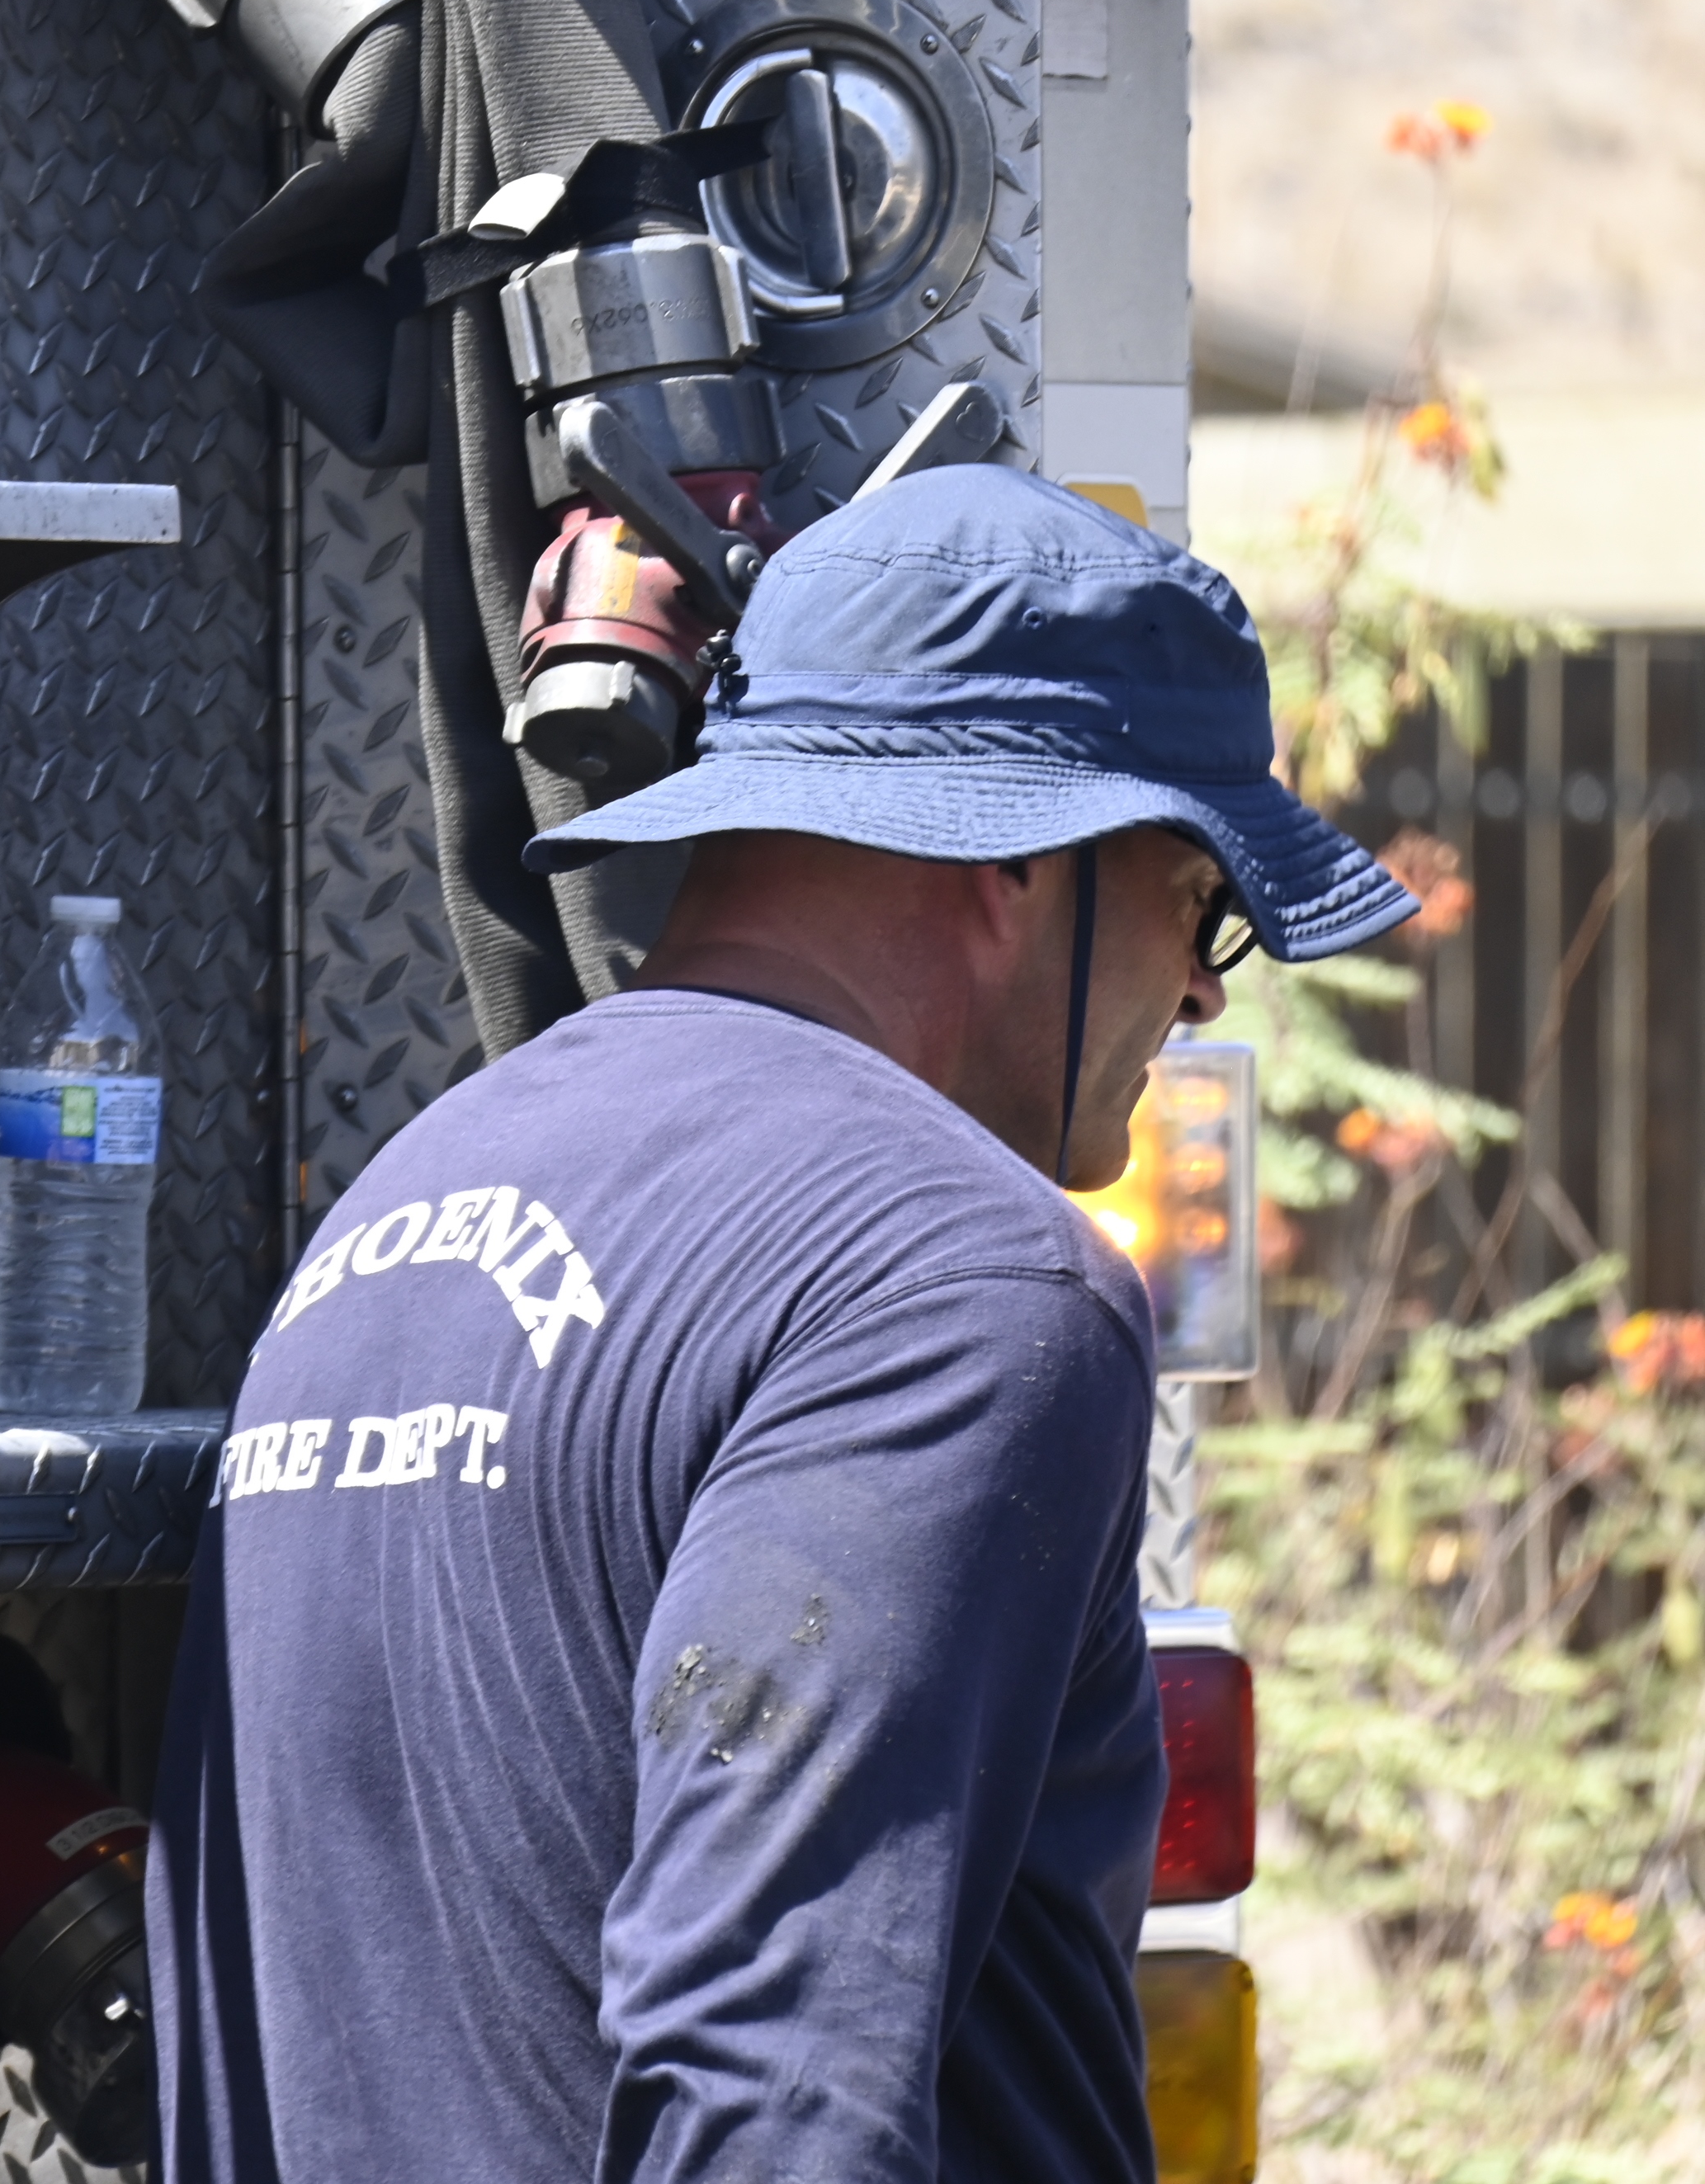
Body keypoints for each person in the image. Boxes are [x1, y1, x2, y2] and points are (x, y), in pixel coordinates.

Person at [146, 466, 1415, 2184]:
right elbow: (774, 2081)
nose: (1200, 987)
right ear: (1017, 847)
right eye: (1200, 898)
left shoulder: (400, 1210)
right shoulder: (961, 1284)